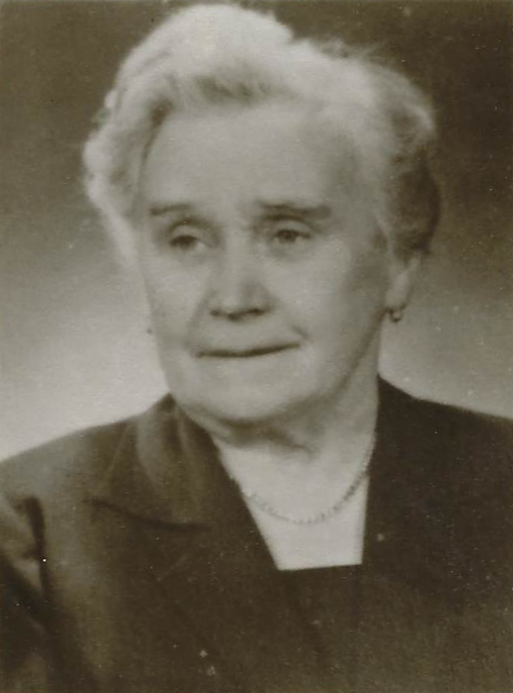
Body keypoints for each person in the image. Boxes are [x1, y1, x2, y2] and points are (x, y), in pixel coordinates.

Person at [1, 4, 512, 692]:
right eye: (186, 240)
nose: (233, 296)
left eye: (287, 233)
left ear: (397, 262)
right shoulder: (27, 532)